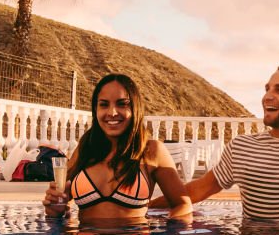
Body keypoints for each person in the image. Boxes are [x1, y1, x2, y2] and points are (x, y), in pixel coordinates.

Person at [150, 61, 279, 223]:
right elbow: (198, 189)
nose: (267, 96)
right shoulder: (242, 147)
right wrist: (145, 209)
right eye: (267, 89)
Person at [43, 73, 192, 221]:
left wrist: (164, 232)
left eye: (122, 104)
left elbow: (183, 205)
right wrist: (55, 208)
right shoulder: (86, 147)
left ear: (135, 108)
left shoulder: (152, 151)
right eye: (104, 104)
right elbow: (62, 202)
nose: (112, 113)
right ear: (96, 109)